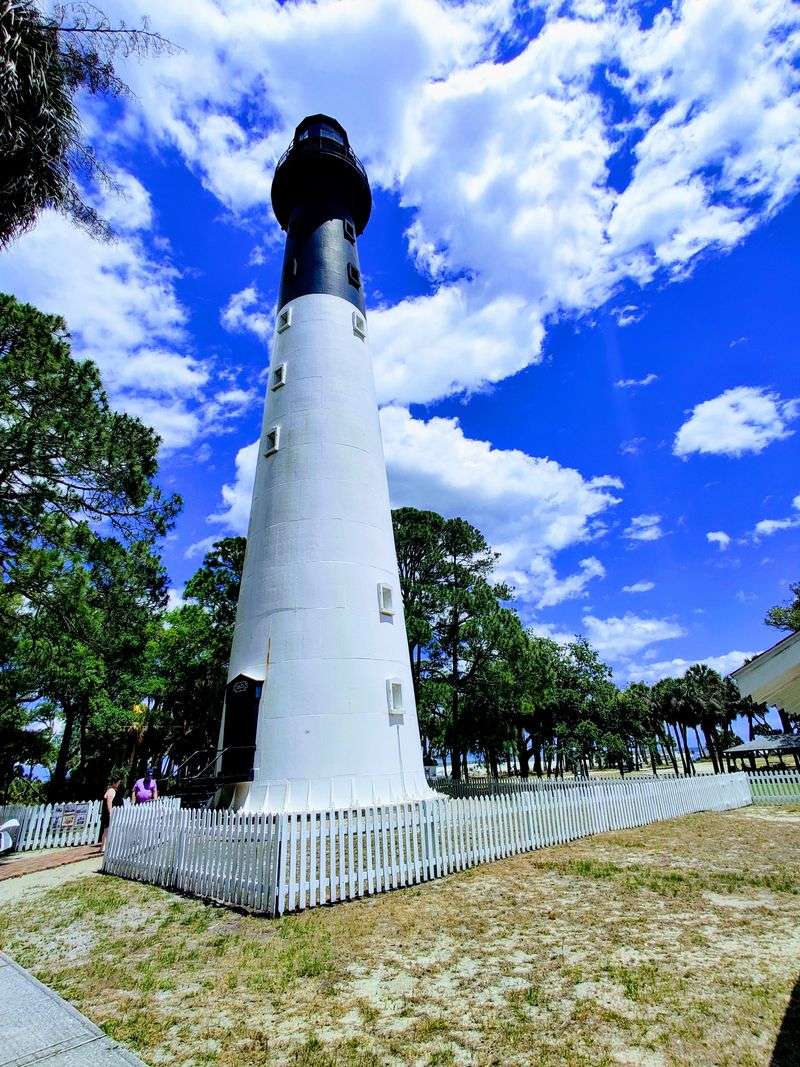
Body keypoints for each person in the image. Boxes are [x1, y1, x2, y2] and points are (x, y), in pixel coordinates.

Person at [99, 776, 123, 853]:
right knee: (107, 830)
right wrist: (110, 813)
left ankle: (105, 847)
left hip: (113, 813)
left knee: (108, 830)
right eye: (118, 783)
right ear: (114, 783)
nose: (119, 784)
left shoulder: (113, 790)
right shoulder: (111, 790)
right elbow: (109, 802)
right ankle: (103, 847)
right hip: (110, 814)